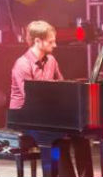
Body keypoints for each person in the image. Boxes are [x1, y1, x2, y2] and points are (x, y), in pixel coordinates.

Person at [9, 20, 92, 177]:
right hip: (24, 118)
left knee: (82, 137)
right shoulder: (22, 64)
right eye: (51, 41)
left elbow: (61, 86)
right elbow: (31, 100)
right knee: (59, 141)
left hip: (48, 116)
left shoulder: (51, 61)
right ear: (37, 41)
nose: (55, 45)